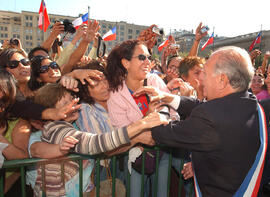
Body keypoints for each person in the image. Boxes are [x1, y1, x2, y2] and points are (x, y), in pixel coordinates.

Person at [134, 46, 270, 196]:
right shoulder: (250, 103)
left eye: (204, 73)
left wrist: (159, 110)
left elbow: (163, 133)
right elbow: (203, 107)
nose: (201, 78)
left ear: (222, 79)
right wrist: (167, 97)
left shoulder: (209, 116)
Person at [32, 82, 167, 196]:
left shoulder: (69, 124)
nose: (73, 104)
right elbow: (94, 143)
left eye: (72, 99)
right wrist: (140, 126)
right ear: (49, 111)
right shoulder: (55, 129)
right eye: (65, 103)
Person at [106, 39, 174, 197]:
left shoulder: (154, 81)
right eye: (142, 57)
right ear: (126, 63)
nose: (148, 62)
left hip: (162, 152)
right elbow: (122, 133)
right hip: (136, 157)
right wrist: (148, 117)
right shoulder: (116, 94)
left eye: (149, 58)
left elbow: (172, 113)